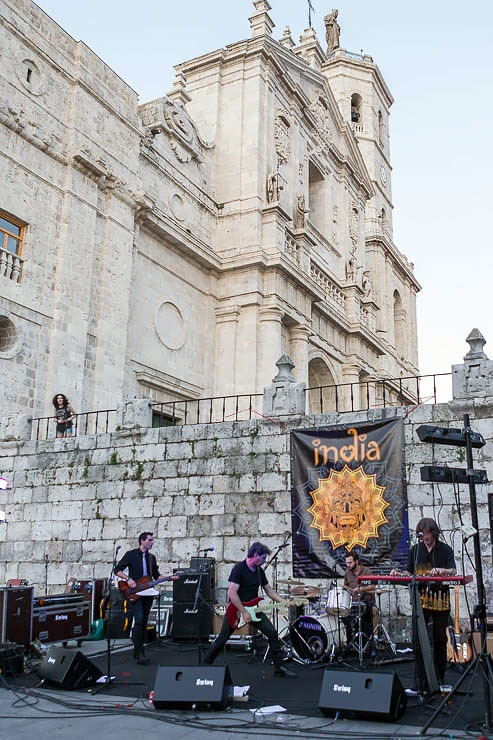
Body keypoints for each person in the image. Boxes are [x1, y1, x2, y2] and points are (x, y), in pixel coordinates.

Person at [202, 542, 297, 677]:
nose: (265, 561)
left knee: (272, 632)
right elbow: (232, 593)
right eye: (263, 558)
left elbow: (269, 590)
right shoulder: (239, 569)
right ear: (255, 555)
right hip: (236, 610)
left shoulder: (259, 571)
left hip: (254, 610)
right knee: (222, 638)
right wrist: (243, 611)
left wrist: (283, 601)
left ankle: (279, 666)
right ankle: (205, 665)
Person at [392, 518, 456, 689]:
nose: (425, 536)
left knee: (439, 639)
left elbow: (453, 570)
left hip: (439, 600)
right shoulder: (415, 550)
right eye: (422, 533)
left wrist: (442, 571)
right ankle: (421, 681)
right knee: (419, 640)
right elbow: (409, 572)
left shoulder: (445, 550)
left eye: (428, 533)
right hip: (420, 601)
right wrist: (400, 574)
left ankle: (439, 678)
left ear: (434, 533)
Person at [115, 532, 162, 665]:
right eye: (150, 540)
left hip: (148, 592)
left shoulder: (151, 558)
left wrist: (170, 577)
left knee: (144, 621)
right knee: (139, 619)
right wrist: (128, 579)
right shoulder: (131, 554)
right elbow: (117, 570)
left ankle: (140, 651)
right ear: (142, 541)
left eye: (152, 540)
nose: (152, 542)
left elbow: (156, 575)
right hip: (134, 592)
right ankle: (138, 652)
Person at [341, 551, 378, 644]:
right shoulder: (347, 572)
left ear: (356, 561)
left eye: (350, 563)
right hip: (353, 603)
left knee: (375, 611)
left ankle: (376, 638)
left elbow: (373, 586)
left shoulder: (367, 571)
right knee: (341, 613)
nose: (348, 565)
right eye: (347, 563)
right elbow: (346, 586)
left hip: (366, 602)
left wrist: (361, 589)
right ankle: (347, 641)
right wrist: (345, 588)